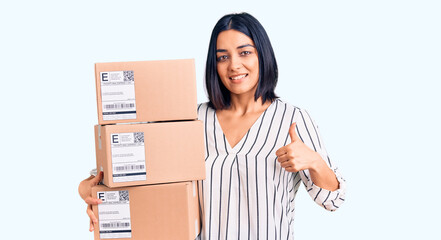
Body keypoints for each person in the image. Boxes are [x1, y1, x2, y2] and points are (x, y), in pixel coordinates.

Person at [79, 12, 346, 239]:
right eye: (222, 57)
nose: (234, 65)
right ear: (214, 64)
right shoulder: (191, 121)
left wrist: (314, 162)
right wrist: (90, 195)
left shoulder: (292, 119)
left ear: (262, 56)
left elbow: (333, 200)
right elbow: (109, 176)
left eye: (244, 52)